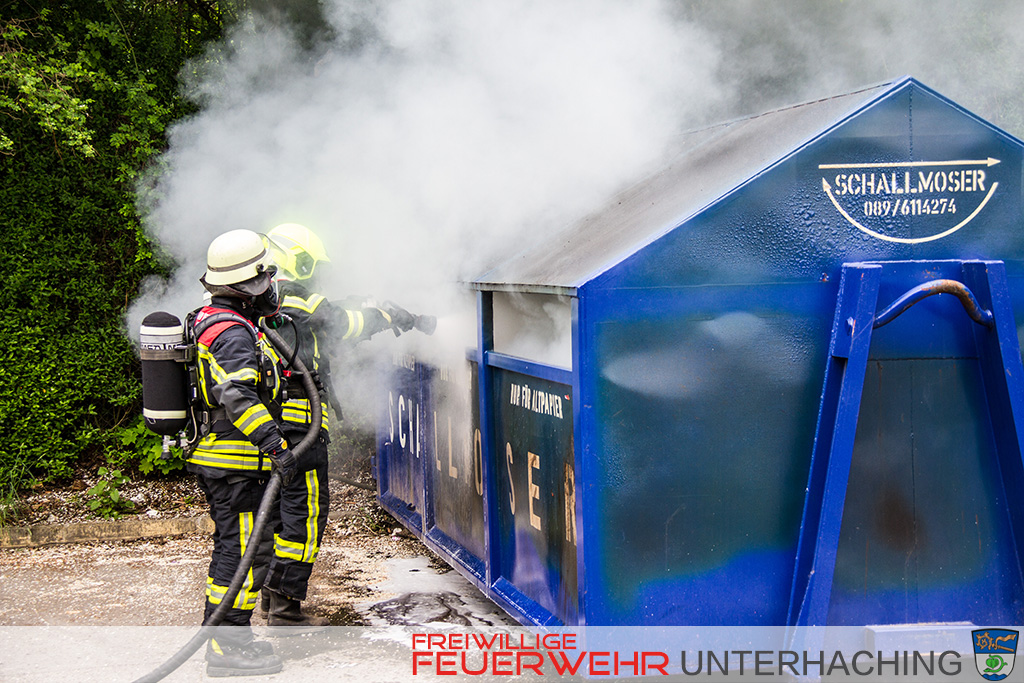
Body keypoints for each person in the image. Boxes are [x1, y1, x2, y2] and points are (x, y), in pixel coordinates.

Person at [259, 222, 420, 628]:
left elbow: (323, 321)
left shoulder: (261, 298)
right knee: (304, 514)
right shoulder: (295, 297)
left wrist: (366, 305)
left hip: (270, 430)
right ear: (299, 260)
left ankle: (271, 599)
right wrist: (384, 315)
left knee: (277, 512)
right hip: (299, 429)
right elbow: (341, 322)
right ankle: (284, 610)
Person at [188, 228, 298, 676]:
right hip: (234, 465)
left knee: (237, 551)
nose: (271, 285)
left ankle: (226, 639)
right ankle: (227, 647)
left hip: (225, 462)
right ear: (247, 284)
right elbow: (237, 395)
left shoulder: (216, 320)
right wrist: (274, 442)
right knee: (243, 556)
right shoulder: (232, 333)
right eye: (265, 277)